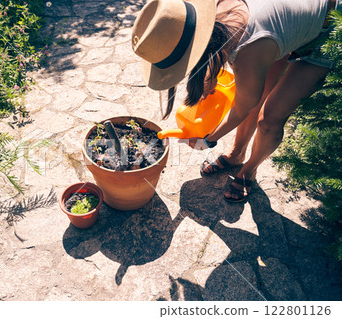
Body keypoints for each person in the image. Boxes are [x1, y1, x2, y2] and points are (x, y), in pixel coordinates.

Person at [131, 0, 340, 203]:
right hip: (285, 24)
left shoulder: (249, 52)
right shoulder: (214, 11)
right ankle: (236, 155)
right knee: (256, 91)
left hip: (329, 27)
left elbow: (241, 109)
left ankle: (249, 171)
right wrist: (210, 73)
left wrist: (208, 140)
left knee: (268, 119)